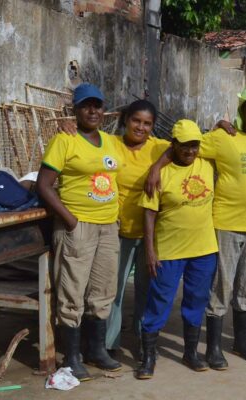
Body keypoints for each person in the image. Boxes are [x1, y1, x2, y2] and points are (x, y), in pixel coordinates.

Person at [146, 84, 246, 370]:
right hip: (225, 224)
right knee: (221, 287)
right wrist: (156, 167)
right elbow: (183, 146)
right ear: (241, 110)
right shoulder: (222, 137)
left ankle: (243, 343)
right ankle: (213, 349)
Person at [36, 83, 122, 381]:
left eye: (97, 105)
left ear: (103, 109)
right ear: (75, 110)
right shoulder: (64, 141)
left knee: (102, 292)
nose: (93, 110)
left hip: (108, 227)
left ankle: (96, 350)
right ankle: (71, 357)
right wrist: (70, 220)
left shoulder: (111, 141)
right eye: (86, 105)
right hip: (78, 227)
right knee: (72, 292)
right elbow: (44, 186)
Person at [135, 120, 218, 379]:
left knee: (196, 300)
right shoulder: (161, 174)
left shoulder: (207, 164)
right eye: (184, 146)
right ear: (173, 145)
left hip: (204, 249)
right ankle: (148, 357)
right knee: (159, 301)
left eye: (194, 145)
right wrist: (150, 250)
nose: (190, 151)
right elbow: (149, 214)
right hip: (169, 250)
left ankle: (190, 352)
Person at [104, 100, 170, 356]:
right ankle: (110, 344)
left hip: (150, 233)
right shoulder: (110, 143)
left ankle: (144, 340)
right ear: (125, 119)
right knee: (114, 290)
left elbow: (188, 146)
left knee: (146, 288)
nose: (141, 127)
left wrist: (156, 166)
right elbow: (83, 140)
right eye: (136, 121)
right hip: (118, 230)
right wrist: (69, 125)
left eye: (147, 123)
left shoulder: (159, 148)